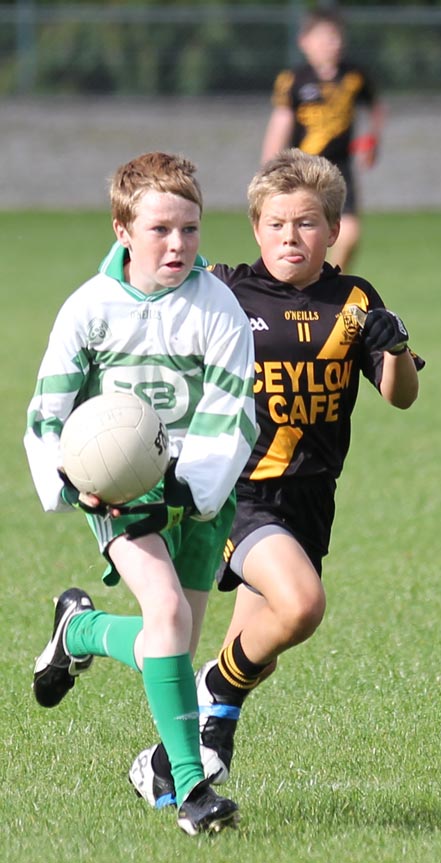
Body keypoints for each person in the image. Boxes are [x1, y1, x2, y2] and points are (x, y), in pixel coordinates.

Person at [128, 149, 424, 806]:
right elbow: (151, 307)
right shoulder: (226, 290)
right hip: (237, 491)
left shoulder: (354, 299)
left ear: (335, 228)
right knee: (302, 605)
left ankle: (163, 763)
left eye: (309, 223)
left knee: (269, 638)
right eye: (278, 223)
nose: (292, 236)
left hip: (312, 498)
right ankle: (218, 695)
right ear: (257, 228)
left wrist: (397, 346)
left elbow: (400, 395)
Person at [24, 151, 258, 836]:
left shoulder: (217, 304)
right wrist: (75, 481)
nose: (179, 244)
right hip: (122, 495)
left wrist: (189, 484)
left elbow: (233, 407)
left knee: (173, 643)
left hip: (200, 494)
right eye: (160, 229)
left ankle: (82, 629)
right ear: (122, 229)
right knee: (165, 615)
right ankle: (190, 789)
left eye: (189, 228)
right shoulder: (89, 309)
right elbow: (48, 410)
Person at [260, 8, 385, 272]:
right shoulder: (294, 79)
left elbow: (376, 107)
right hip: (303, 169)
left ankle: (331, 280)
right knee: (298, 231)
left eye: (337, 37)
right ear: (305, 42)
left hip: (339, 169)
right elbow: (281, 121)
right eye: (326, 38)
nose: (334, 44)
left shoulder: (354, 76)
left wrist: (373, 140)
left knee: (349, 234)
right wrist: (268, 165)